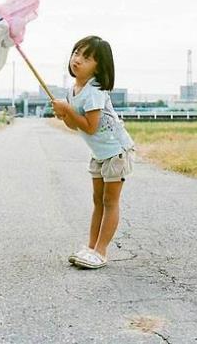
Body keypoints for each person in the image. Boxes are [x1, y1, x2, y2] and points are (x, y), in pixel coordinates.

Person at [52, 36, 135, 269]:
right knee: (97, 201)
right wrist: (65, 115)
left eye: (86, 57)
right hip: (99, 153)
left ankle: (101, 251)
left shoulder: (95, 90)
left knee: (110, 201)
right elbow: (75, 126)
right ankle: (90, 247)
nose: (77, 59)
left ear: (99, 67)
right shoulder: (74, 90)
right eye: (76, 53)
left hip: (116, 151)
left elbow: (90, 126)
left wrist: (68, 109)